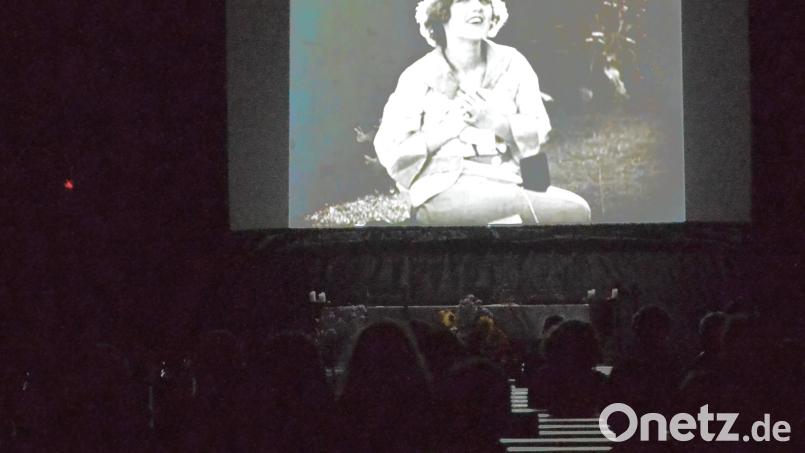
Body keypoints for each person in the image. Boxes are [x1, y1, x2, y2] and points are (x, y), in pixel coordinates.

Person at [374, 0, 591, 225]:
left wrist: (498, 123)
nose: (477, 6)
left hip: (508, 180)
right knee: (517, 214)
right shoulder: (417, 76)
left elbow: (536, 136)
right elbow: (392, 151)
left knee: (576, 212)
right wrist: (447, 130)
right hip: (445, 186)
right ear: (441, 12)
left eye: (485, 1)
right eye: (464, 0)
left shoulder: (513, 63)